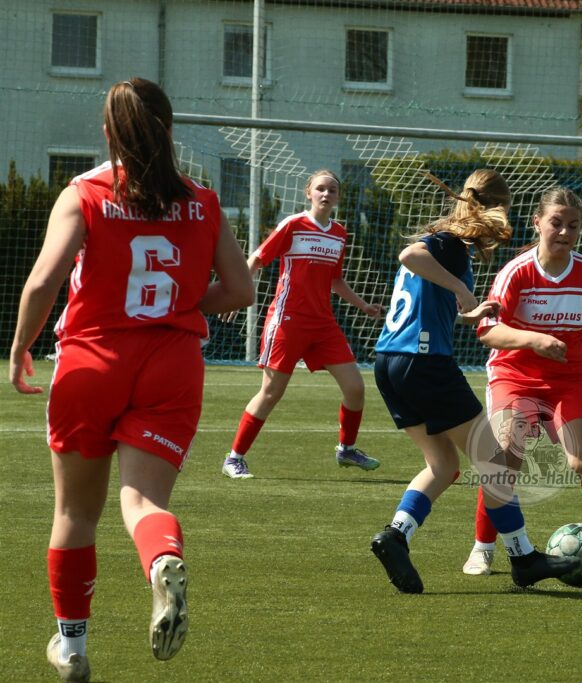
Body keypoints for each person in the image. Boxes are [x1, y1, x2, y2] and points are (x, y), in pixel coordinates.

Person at [8, 78, 254, 682]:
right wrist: (182, 306)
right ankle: (162, 558)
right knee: (142, 501)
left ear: (107, 134)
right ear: (170, 129)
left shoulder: (86, 193)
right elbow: (241, 290)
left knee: (75, 512)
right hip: (172, 364)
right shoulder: (203, 201)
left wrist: (19, 347)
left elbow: (42, 281)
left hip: (92, 361)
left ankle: (72, 647)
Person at [370, 169, 578, 593]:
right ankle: (523, 557)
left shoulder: (448, 243)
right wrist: (462, 291)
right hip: (424, 363)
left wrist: (469, 312)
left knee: (444, 466)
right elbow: (409, 256)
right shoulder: (448, 241)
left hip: (390, 363)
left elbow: (428, 304)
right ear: (493, 208)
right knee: (494, 462)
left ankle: (396, 535)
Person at [462, 186, 582, 577]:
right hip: (515, 375)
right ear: (537, 222)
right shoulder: (517, 272)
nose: (564, 232)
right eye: (556, 223)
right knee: (505, 457)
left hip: (569, 379)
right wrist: (534, 340)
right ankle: (483, 547)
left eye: (573, 226)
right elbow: (488, 331)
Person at [221, 169, 384, 479]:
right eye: (320, 188)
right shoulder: (293, 225)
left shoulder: (339, 233)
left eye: (332, 190)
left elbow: (336, 280)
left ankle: (346, 449)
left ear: (338, 197)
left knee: (355, 388)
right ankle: (234, 458)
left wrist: (363, 305)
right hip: (288, 320)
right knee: (271, 392)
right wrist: (235, 294)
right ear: (308, 193)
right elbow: (256, 259)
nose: (326, 194)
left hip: (323, 324)